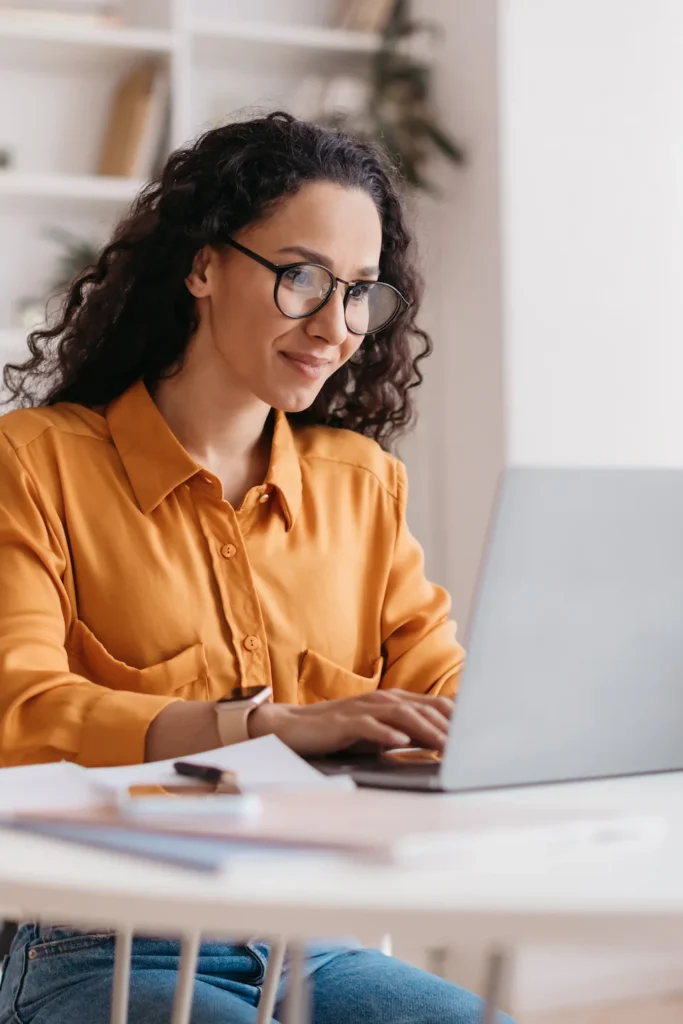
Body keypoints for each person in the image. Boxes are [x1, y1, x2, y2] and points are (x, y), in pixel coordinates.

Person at [0, 112, 513, 1024]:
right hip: (96, 941)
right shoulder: (35, 464)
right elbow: (21, 713)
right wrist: (263, 726)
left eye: (359, 291)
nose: (335, 326)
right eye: (301, 277)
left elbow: (443, 694)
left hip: (313, 936)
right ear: (203, 265)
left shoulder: (362, 488)